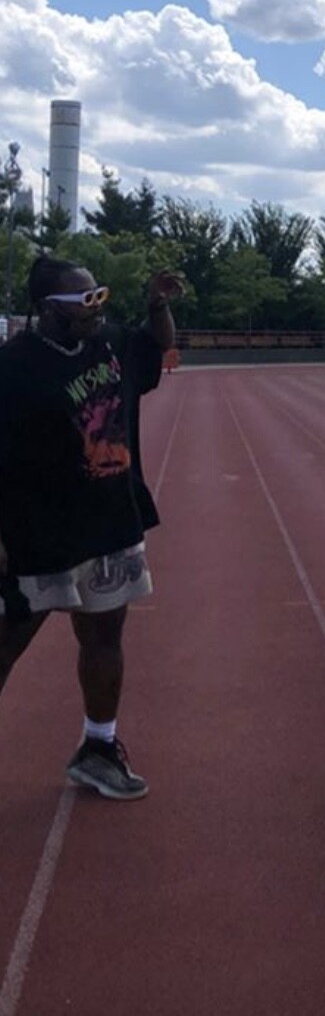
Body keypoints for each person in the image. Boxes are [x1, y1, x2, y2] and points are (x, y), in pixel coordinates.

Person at [0, 255, 183, 800]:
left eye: (99, 295)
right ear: (47, 309)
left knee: (104, 636)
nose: (97, 307)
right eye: (84, 300)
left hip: (109, 525)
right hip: (37, 534)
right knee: (6, 645)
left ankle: (98, 749)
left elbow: (158, 346)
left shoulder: (112, 344)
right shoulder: (13, 367)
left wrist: (157, 305)